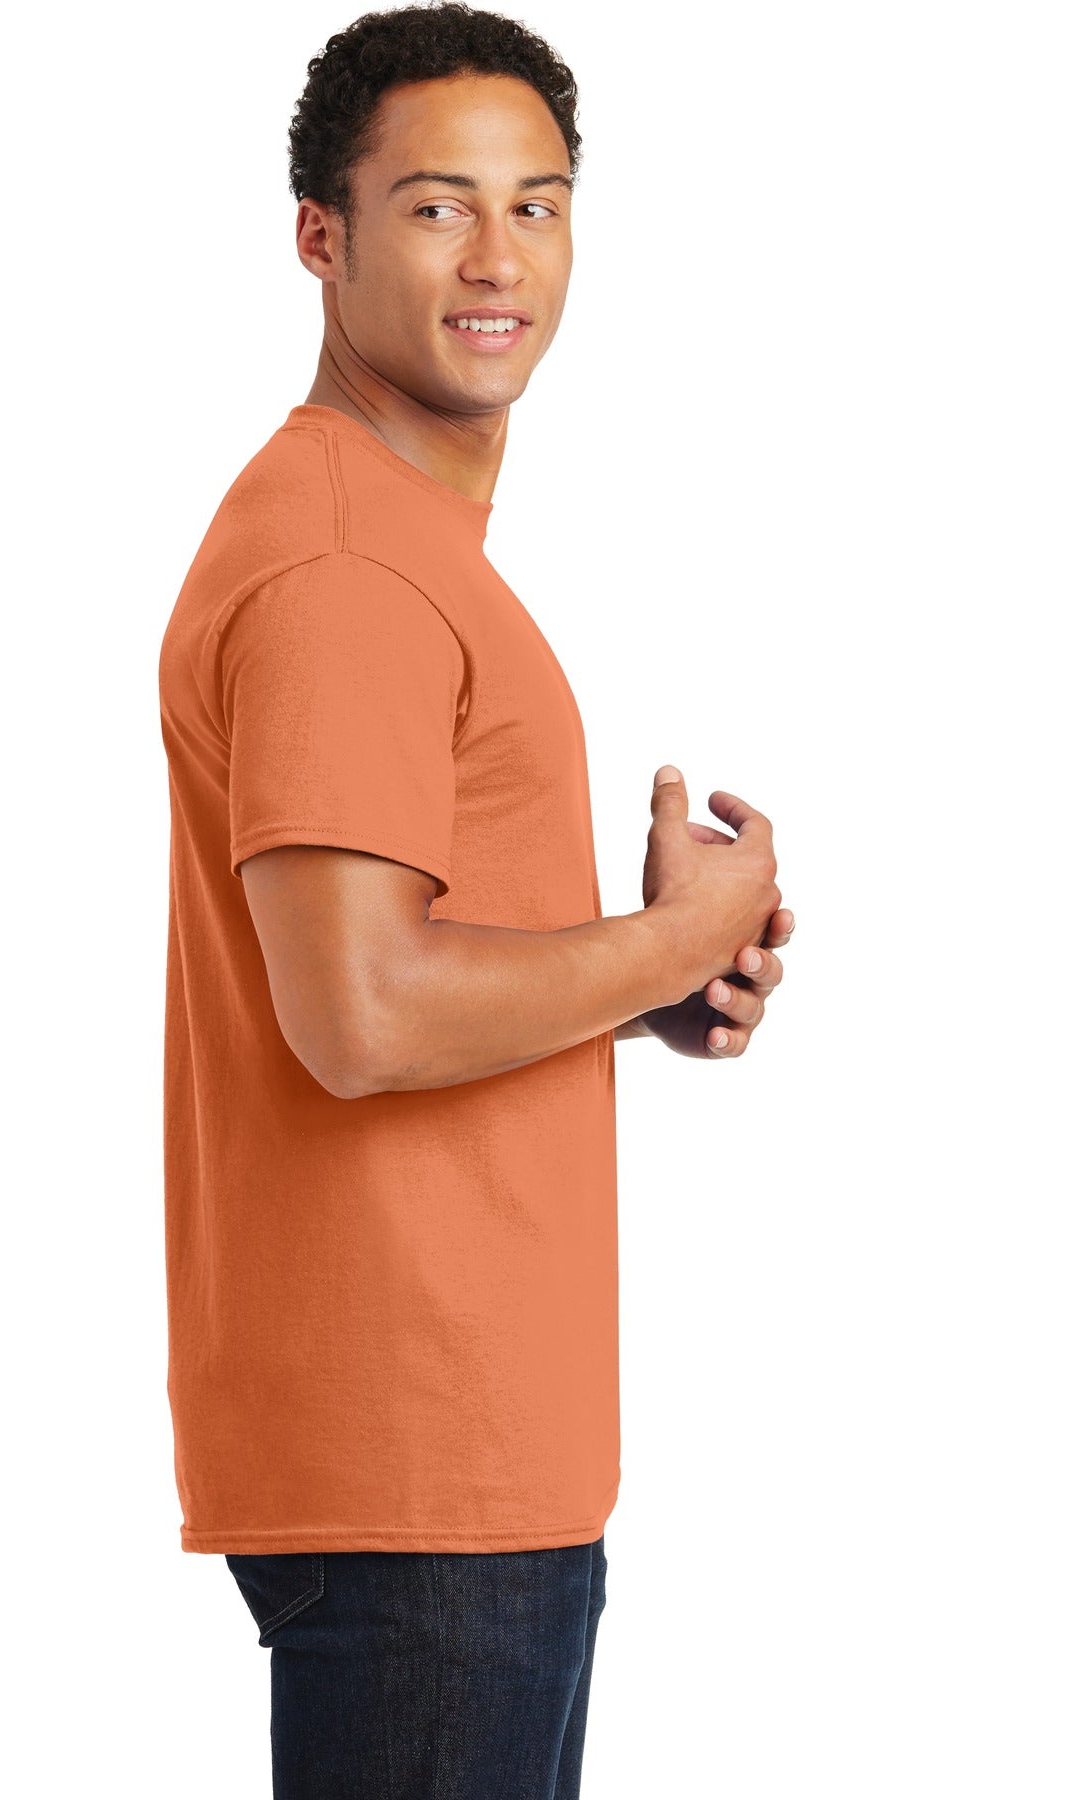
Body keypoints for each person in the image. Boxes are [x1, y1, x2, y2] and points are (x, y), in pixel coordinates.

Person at [156, 5, 794, 1794]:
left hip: (457, 1456)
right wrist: (672, 935)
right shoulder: (348, 563)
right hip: (421, 1460)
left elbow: (388, 971)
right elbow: (360, 1015)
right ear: (321, 235)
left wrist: (641, 988)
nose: (500, 257)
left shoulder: (389, 535)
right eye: (437, 207)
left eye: (540, 204)